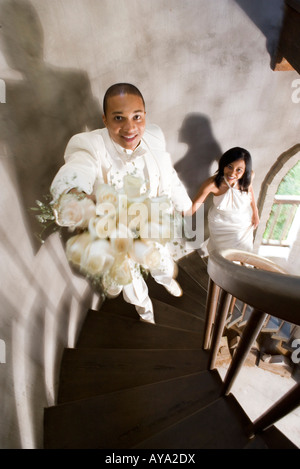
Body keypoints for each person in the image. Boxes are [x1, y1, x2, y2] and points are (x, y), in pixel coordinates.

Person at [50, 83, 192, 324]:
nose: (130, 127)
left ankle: (167, 282)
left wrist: (185, 203)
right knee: (132, 285)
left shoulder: (154, 135)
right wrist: (74, 195)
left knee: (163, 265)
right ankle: (146, 313)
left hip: (153, 228)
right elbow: (75, 170)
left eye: (137, 117)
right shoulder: (88, 145)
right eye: (119, 118)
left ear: (145, 116)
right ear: (105, 120)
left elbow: (169, 173)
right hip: (119, 240)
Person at [191, 147, 259, 256]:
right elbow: (193, 207)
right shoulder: (212, 184)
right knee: (223, 255)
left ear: (245, 170)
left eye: (239, 170)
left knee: (244, 252)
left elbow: (250, 191)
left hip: (243, 223)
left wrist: (255, 212)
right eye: (229, 166)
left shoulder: (249, 177)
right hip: (221, 225)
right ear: (223, 164)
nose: (232, 173)